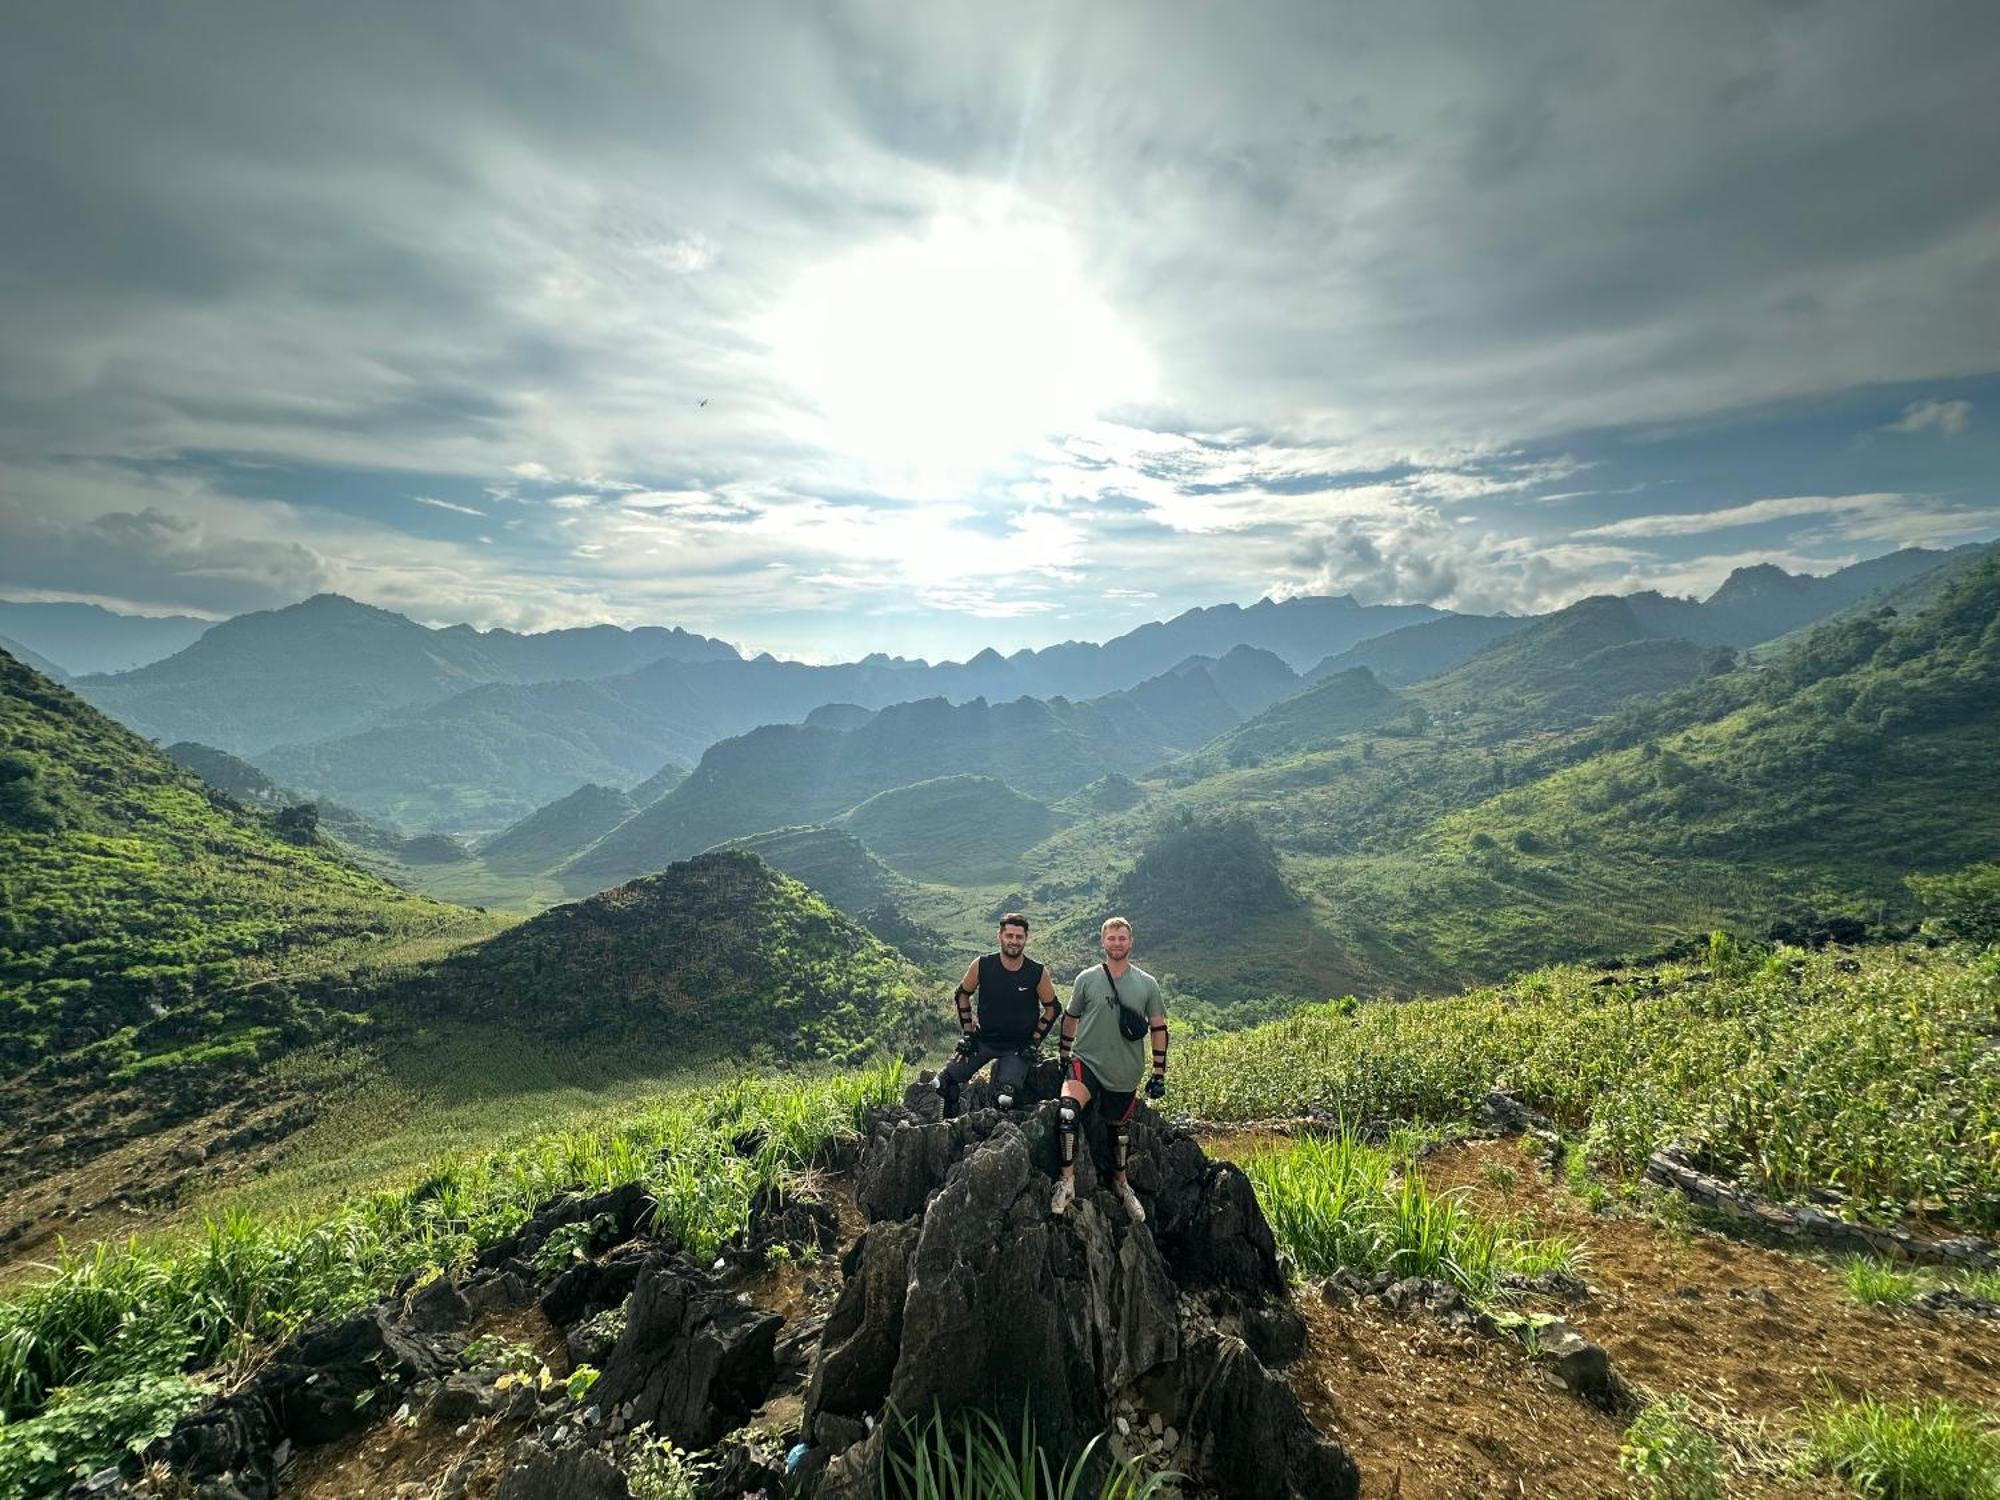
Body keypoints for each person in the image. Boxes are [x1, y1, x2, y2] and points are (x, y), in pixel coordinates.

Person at [1051, 916, 1168, 1222]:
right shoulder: (1087, 979)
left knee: (1120, 1133)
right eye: (1111, 938)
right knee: (1067, 1113)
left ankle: (1122, 1184)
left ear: (1131, 942)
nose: (1117, 943)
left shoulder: (1147, 984)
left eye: (1122, 938)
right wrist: (1064, 1054)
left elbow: (1159, 1027)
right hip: (1086, 1061)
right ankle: (1067, 1182)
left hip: (1125, 1069)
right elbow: (1071, 1017)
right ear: (1102, 942)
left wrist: (1159, 1073)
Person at [936, 913, 1061, 1114]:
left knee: (1005, 1099)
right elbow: (962, 995)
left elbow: (1053, 1008)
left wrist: (1034, 1041)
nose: (1014, 941)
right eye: (1009, 935)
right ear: (999, 936)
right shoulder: (982, 965)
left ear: (1026, 938)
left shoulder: (1036, 972)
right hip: (983, 1040)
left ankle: (999, 1139)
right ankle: (950, 1124)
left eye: (1019, 937)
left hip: (1017, 1047)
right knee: (942, 1082)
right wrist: (968, 1034)